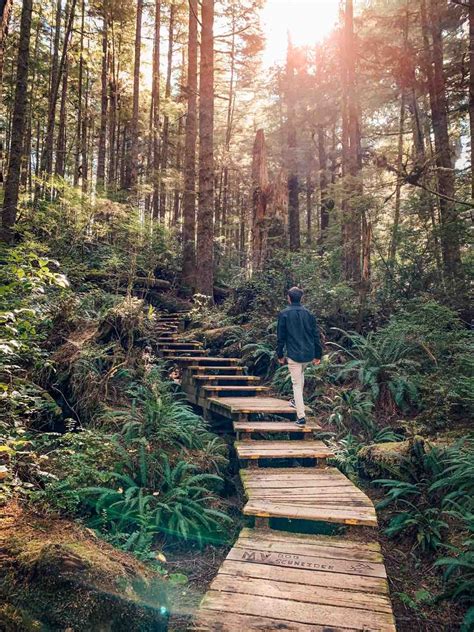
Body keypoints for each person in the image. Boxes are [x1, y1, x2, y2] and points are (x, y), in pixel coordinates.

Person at [276, 287, 322, 426]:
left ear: (288, 298)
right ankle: (296, 402)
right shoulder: (309, 314)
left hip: (294, 354)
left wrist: (279, 354)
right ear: (301, 298)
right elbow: (315, 335)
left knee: (296, 384)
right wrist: (318, 354)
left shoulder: (284, 314)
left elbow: (281, 337)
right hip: (308, 354)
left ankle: (301, 417)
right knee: (300, 377)